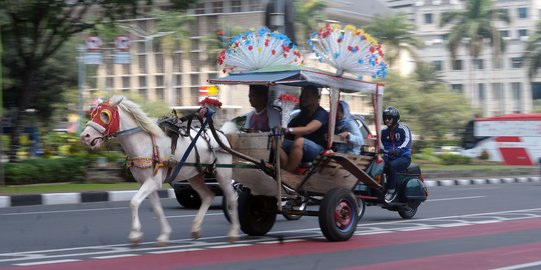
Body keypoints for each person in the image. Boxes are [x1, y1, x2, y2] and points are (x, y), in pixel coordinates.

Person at [279, 85, 329, 174]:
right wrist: (281, 128)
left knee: (300, 141)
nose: (303, 98)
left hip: (317, 150)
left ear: (317, 97)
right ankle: (285, 170)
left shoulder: (322, 114)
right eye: (302, 96)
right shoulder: (302, 114)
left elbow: (308, 129)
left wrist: (289, 130)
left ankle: (287, 172)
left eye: (307, 96)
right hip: (299, 146)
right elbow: (288, 128)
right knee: (275, 141)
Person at [381, 106, 412, 203]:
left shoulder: (403, 129)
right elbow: (380, 144)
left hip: (403, 157)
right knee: (377, 163)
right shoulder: (384, 132)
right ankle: (380, 186)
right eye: (385, 118)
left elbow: (407, 141)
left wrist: (398, 150)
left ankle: (391, 191)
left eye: (389, 118)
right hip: (389, 156)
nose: (387, 120)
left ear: (395, 119)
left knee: (392, 166)